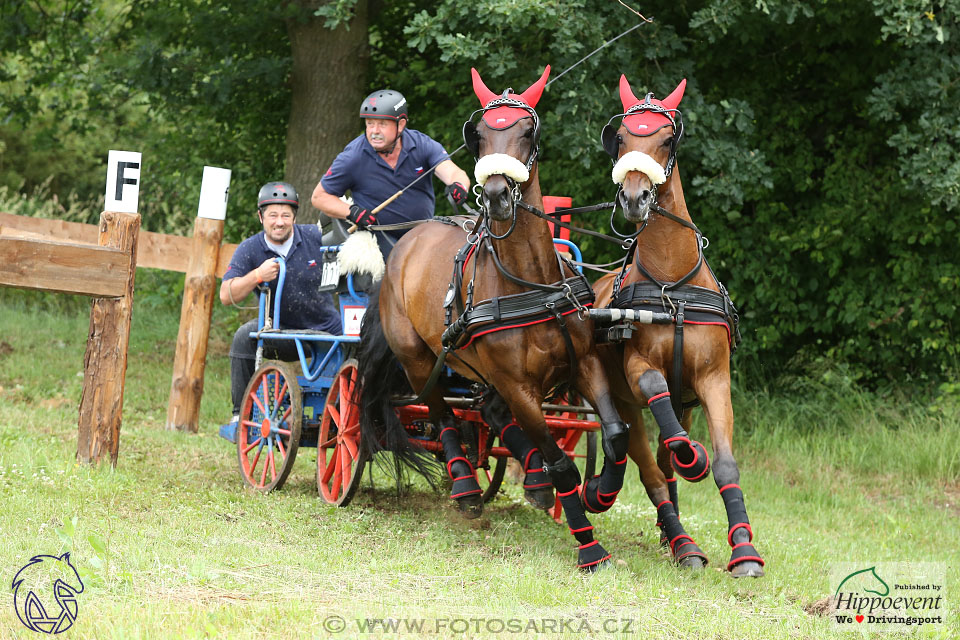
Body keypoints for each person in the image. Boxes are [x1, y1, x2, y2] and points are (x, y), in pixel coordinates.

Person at [219, 181, 342, 424]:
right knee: (244, 337)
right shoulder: (250, 248)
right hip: (281, 332)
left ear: (294, 217)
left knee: (362, 347)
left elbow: (349, 249)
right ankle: (241, 415)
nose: (279, 221)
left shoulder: (316, 237)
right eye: (272, 215)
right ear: (260, 216)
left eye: (286, 215)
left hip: (328, 330)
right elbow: (226, 295)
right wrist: (256, 276)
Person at [311, 89, 471, 256]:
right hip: (377, 238)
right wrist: (353, 212)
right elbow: (319, 197)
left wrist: (458, 185)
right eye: (370, 123)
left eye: (382, 124)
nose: (374, 131)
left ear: (400, 124)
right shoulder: (352, 157)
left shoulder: (422, 144)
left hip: (423, 232)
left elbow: (453, 173)